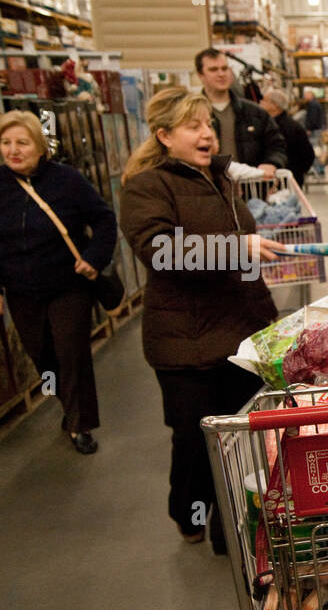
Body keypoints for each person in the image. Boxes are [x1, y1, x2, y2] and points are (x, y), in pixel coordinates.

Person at [118, 86, 283, 550]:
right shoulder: (147, 185)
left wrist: (255, 249)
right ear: (165, 136)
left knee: (240, 437)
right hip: (185, 340)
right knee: (195, 440)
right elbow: (161, 251)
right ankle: (188, 511)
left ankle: (229, 533)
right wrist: (237, 247)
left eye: (209, 123)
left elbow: (237, 240)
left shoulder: (219, 177)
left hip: (240, 328)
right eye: (194, 126)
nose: (207, 133)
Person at [0, 110, 118, 454]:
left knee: (72, 354)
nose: (13, 150)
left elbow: (104, 219)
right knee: (43, 357)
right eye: (6, 143)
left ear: (40, 147)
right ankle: (68, 407)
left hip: (69, 285)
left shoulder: (66, 180)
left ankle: (80, 425)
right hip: (21, 291)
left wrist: (94, 259)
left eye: (22, 142)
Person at [194, 48, 286, 178]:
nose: (221, 74)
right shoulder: (191, 116)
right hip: (209, 189)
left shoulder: (255, 113)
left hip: (251, 188)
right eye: (213, 70)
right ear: (200, 75)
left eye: (225, 68)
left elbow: (277, 145)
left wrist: (271, 163)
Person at [259, 88, 315, 189]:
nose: (260, 103)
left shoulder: (283, 127)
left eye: (264, 100)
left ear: (274, 105)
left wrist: (295, 171)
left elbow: (307, 154)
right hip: (290, 179)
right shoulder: (292, 125)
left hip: (284, 181)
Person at [302, 89, 326, 176]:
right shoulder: (315, 104)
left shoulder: (312, 105)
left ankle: (318, 168)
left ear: (311, 95)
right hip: (317, 129)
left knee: (315, 150)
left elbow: (312, 118)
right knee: (318, 149)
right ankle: (320, 168)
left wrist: (309, 128)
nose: (304, 97)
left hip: (314, 130)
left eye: (306, 95)